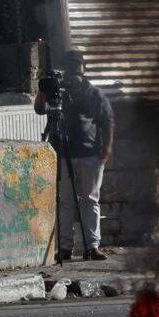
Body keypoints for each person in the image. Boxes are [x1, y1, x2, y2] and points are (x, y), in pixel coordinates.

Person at [35, 49, 115, 261]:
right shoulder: (57, 93)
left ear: (84, 70)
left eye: (77, 67)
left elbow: (108, 123)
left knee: (90, 200)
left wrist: (106, 149)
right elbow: (39, 109)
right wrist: (43, 89)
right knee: (66, 202)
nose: (73, 73)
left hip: (90, 155)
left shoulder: (94, 94)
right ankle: (65, 248)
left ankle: (93, 246)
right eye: (70, 67)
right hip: (62, 153)